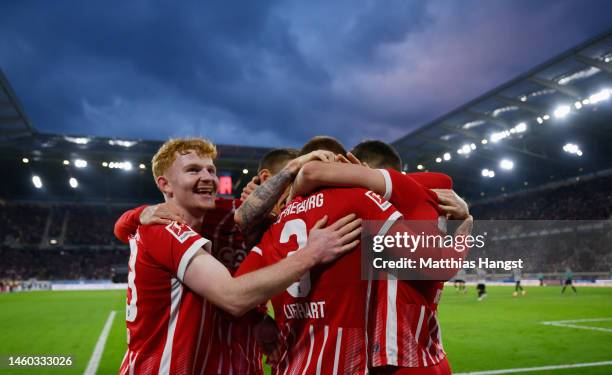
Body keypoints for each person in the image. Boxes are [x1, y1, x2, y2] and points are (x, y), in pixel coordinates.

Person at [117, 138, 362, 374]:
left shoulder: (227, 216)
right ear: (165, 184)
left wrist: (258, 317)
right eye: (193, 170)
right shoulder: (164, 228)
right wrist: (311, 253)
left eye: (211, 170)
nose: (208, 178)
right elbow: (232, 297)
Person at [290, 139, 472, 374]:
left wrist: (290, 190)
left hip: (400, 360)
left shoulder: (404, 193)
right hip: (424, 354)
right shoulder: (417, 203)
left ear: (366, 169)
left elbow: (314, 173)